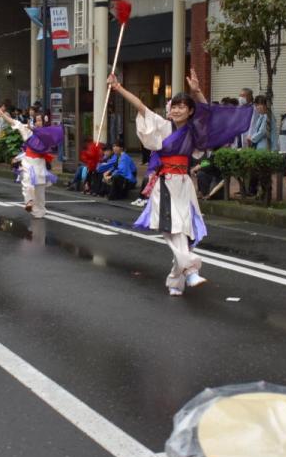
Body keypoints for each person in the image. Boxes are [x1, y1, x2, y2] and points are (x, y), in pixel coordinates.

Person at [107, 70, 252, 296]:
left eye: (182, 106)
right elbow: (141, 106)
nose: (176, 110)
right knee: (172, 229)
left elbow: (209, 117)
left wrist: (198, 91)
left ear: (190, 111)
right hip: (164, 183)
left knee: (184, 229)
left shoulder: (194, 133)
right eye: (174, 106)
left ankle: (176, 281)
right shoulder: (163, 126)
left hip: (184, 184)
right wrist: (119, 88)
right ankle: (191, 271)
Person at [0, 107, 63, 218]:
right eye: (36, 120)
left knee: (39, 190)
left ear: (44, 121)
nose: (38, 122)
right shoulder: (28, 131)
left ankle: (39, 211)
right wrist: (3, 115)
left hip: (40, 163)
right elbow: (15, 122)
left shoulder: (47, 135)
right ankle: (29, 201)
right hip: (28, 162)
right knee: (27, 182)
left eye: (40, 120)